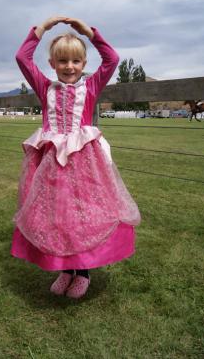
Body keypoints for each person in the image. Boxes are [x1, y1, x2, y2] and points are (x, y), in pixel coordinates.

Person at [11, 16, 141, 299]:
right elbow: (22, 57)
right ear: (52, 64)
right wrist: (43, 29)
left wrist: (89, 33)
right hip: (53, 165)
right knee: (57, 215)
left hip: (84, 165)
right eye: (62, 61)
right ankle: (65, 270)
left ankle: (82, 272)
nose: (69, 67)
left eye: (76, 62)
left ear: (83, 64)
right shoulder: (45, 87)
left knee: (83, 215)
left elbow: (112, 58)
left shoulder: (91, 87)